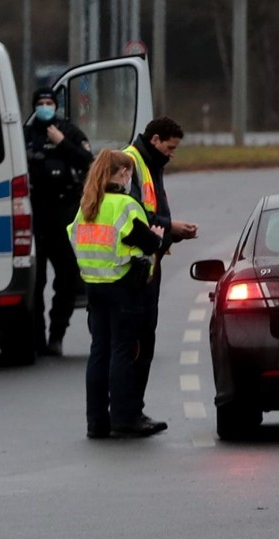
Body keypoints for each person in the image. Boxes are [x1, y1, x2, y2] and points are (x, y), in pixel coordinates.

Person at [67, 150, 167, 439]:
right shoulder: (125, 205)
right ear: (123, 174)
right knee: (123, 352)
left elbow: (73, 236)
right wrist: (157, 236)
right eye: (129, 174)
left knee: (99, 351)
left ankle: (96, 422)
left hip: (94, 286)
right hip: (123, 286)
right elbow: (148, 242)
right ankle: (124, 418)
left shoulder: (88, 204)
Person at [123, 117, 198, 413]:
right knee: (136, 343)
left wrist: (171, 234)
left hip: (148, 262)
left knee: (143, 341)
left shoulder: (150, 163)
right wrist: (171, 227)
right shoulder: (131, 164)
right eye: (170, 147)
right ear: (154, 140)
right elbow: (134, 220)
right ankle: (128, 411)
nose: (172, 153)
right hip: (134, 267)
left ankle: (132, 409)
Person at [25, 88, 94, 356]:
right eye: (40, 103)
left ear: (56, 106)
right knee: (35, 282)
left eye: (49, 103)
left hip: (64, 215)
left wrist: (62, 142)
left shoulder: (69, 132)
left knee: (67, 280)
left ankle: (56, 335)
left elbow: (89, 162)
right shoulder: (26, 135)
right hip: (33, 216)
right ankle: (36, 338)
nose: (45, 106)